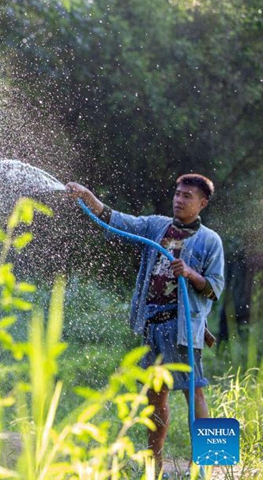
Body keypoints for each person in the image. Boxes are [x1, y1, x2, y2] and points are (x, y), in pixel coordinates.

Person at [66, 174, 225, 471]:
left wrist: (190, 274)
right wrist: (90, 199)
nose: (179, 199)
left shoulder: (210, 240)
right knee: (155, 397)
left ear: (202, 203)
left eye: (187, 196)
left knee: (196, 392)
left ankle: (212, 465)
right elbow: (121, 220)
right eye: (177, 194)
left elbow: (215, 288)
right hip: (153, 324)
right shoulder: (156, 226)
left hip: (183, 329)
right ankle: (154, 466)